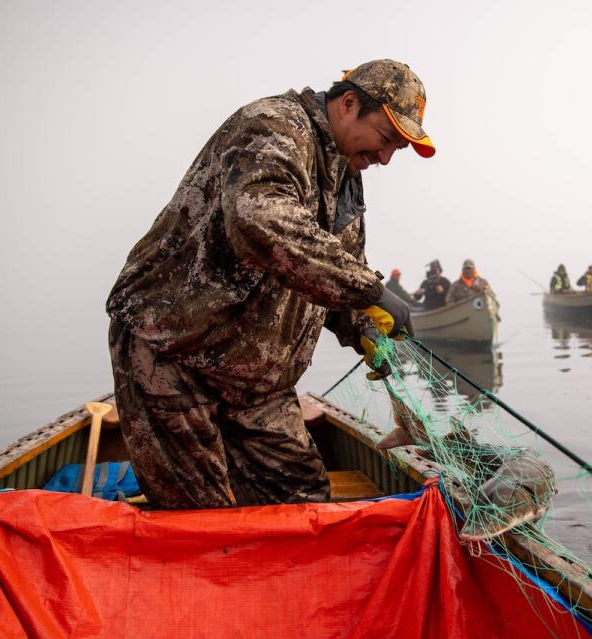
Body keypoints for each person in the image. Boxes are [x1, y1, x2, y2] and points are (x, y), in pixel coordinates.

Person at [105, 59, 435, 510]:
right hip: (172, 352)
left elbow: (337, 269)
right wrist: (373, 292)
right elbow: (261, 219)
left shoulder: (346, 178)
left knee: (304, 502)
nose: (385, 158)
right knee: (199, 520)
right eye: (386, 139)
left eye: (396, 148)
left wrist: (362, 325)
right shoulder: (274, 127)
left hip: (257, 384)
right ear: (349, 103)